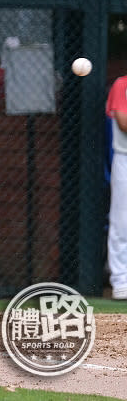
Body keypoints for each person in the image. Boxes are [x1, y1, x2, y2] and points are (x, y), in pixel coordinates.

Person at [106, 76, 127, 300]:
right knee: (122, 220)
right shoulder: (122, 85)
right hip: (125, 158)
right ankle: (121, 280)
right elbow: (123, 122)